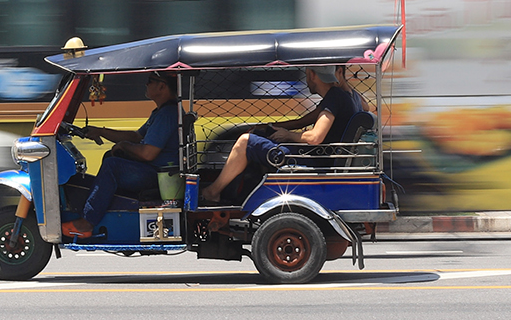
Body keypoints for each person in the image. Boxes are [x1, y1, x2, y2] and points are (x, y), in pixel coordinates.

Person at [202, 66, 368, 205]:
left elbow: (315, 137)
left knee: (245, 142)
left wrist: (288, 135)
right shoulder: (349, 98)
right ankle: (247, 193)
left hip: (313, 159)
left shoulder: (335, 96)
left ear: (311, 74)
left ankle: (213, 192)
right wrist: (268, 128)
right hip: (322, 157)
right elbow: (301, 122)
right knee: (257, 137)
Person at [62, 73, 182, 241]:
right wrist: (101, 132)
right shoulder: (160, 112)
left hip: (158, 174)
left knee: (112, 166)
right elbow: (135, 137)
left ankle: (87, 222)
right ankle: (105, 209)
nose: (146, 85)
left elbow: (148, 153)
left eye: (149, 81)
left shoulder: (167, 114)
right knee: (109, 156)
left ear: (162, 86)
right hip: (154, 170)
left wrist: (124, 146)